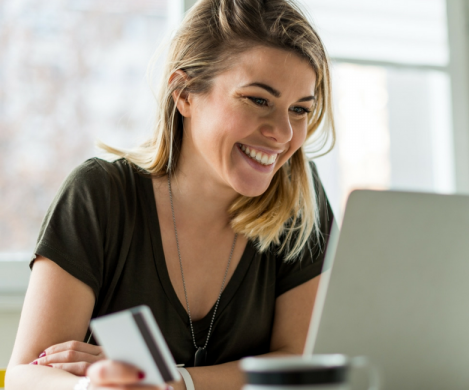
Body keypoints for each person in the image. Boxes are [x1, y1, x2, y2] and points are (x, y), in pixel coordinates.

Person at [5, 0, 335, 389]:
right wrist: (93, 386)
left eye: (300, 109)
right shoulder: (100, 196)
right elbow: (25, 375)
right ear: (184, 94)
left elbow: (300, 364)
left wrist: (172, 383)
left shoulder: (301, 201)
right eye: (259, 100)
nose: (282, 133)